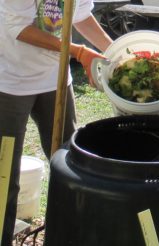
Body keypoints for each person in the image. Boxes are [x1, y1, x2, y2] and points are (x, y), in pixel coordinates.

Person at [0, 0, 113, 245]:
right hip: (9, 81)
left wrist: (114, 51)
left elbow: (80, 15)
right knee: (4, 175)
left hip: (56, 78)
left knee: (69, 164)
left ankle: (68, 235)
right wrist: (78, 51)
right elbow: (18, 29)